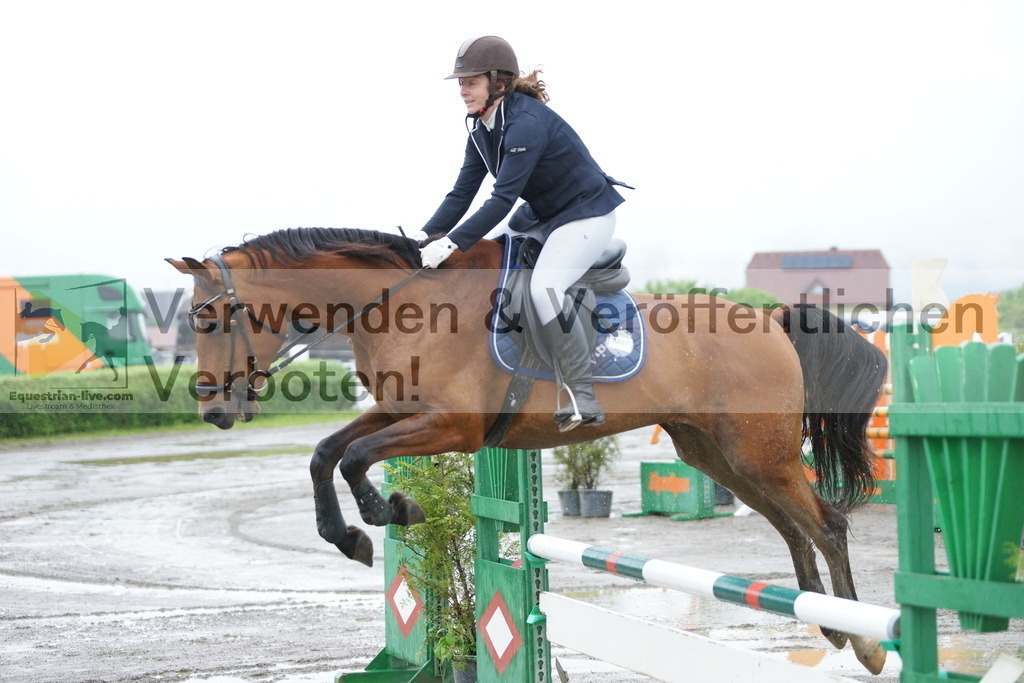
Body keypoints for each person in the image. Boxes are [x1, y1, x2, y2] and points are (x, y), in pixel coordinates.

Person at [413, 35, 630, 431]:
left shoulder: (525, 123)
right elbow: (462, 192)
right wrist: (425, 237)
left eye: (471, 81)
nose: (462, 91)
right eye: (460, 82)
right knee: (506, 246)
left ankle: (582, 394)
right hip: (547, 215)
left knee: (543, 289)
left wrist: (451, 244)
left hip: (586, 216)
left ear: (498, 82)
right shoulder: (481, 128)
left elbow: (500, 199)